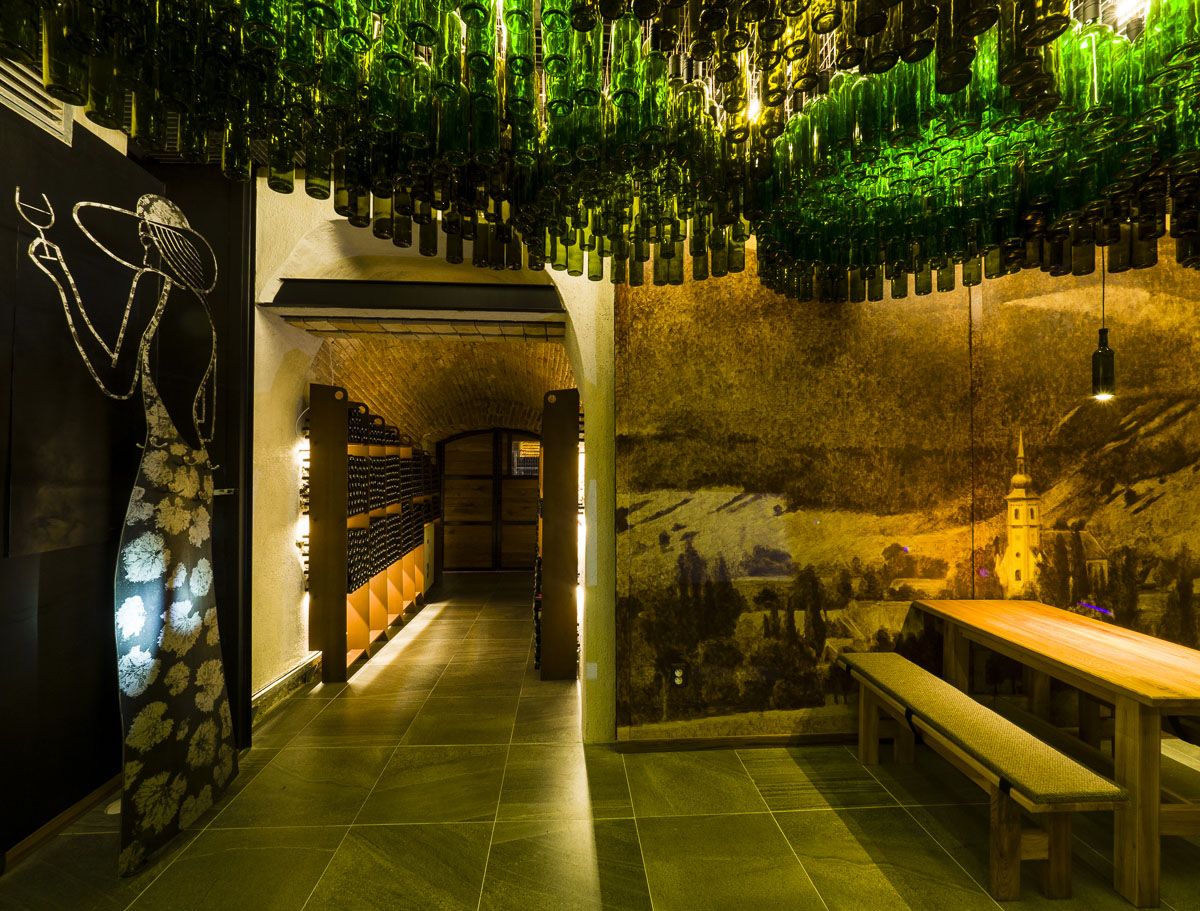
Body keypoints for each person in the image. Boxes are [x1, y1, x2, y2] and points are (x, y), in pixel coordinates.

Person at [15, 190, 237, 875]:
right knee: (192, 625)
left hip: (161, 475)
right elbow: (207, 418)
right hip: (196, 479)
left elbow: (115, 377)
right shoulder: (206, 318)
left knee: (143, 632)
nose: (140, 244)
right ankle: (201, 765)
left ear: (154, 244)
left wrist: (62, 276)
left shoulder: (150, 288)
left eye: (145, 235)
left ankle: (154, 797)